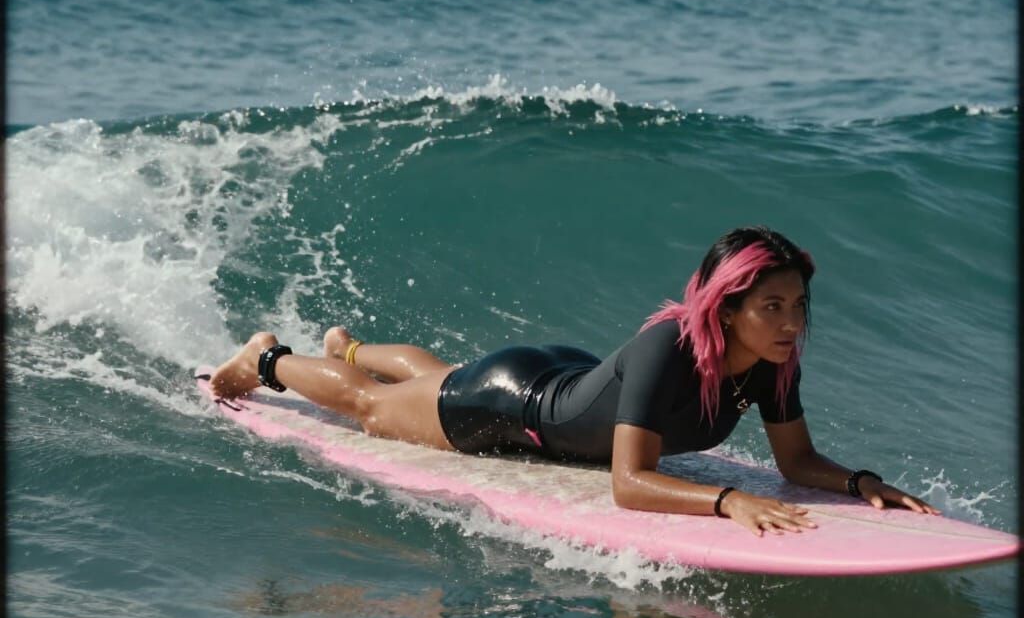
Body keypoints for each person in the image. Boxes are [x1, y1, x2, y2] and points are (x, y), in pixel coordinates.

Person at [209, 225, 939, 536]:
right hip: (509, 405)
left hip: (565, 376)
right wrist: (729, 502)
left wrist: (859, 483)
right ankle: (267, 358)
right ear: (727, 307)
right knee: (372, 408)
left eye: (798, 306)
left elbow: (797, 461)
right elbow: (630, 482)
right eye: (771, 307)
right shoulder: (670, 346)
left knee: (434, 377)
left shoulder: (773, 365)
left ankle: (352, 345)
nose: (790, 322)